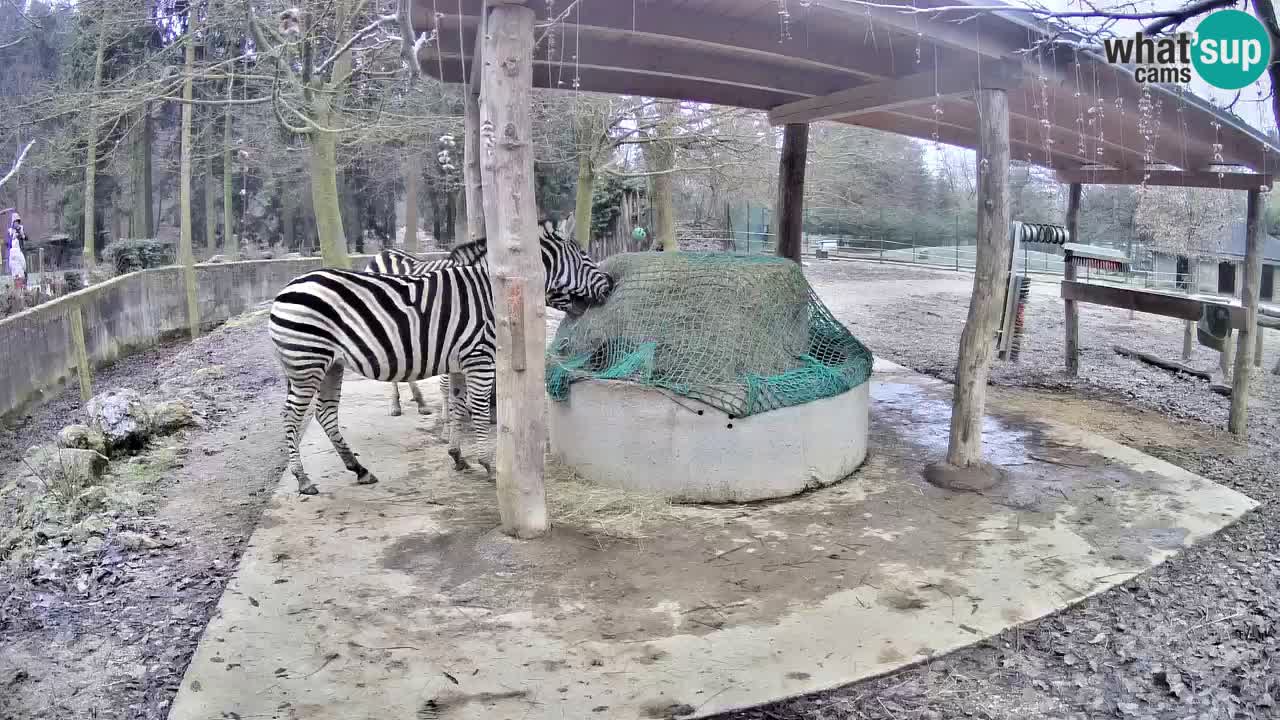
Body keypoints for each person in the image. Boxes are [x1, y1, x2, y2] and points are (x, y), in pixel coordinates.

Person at [7, 213, 27, 290]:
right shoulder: (10, 231)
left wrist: (22, 235)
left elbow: (26, 238)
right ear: (13, 222)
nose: (17, 223)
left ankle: (24, 286)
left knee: (23, 269)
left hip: (21, 250)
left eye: (18, 222)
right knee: (15, 273)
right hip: (13, 253)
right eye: (15, 222)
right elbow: (8, 242)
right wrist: (12, 236)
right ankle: (16, 288)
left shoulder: (21, 229)